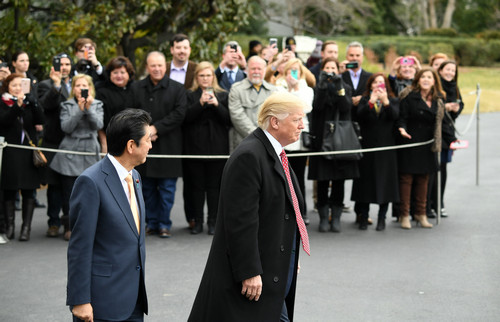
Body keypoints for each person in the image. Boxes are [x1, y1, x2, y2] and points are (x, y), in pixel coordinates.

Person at [188, 92, 310, 322]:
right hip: (255, 276)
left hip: (275, 268)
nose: (302, 126)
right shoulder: (250, 156)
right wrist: (249, 271)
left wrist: (291, 256)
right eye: (297, 120)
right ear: (275, 122)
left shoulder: (274, 152)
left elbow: (283, 212)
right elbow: (240, 222)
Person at [66, 108, 151, 322]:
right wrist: (80, 300)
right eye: (148, 140)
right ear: (131, 146)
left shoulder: (135, 176)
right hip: (100, 304)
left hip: (133, 299)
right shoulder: (90, 182)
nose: (151, 145)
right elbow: (79, 246)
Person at [131, 51, 187, 238]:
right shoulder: (136, 88)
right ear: (147, 67)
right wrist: (145, 131)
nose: (156, 69)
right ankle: (151, 222)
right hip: (143, 146)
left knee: (167, 191)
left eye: (160, 65)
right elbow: (131, 112)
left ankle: (164, 223)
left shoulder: (178, 89)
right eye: (153, 65)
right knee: (146, 189)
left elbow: (179, 114)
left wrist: (156, 129)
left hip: (168, 146)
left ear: (166, 67)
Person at [50, 74, 104, 241]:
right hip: (70, 150)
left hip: (90, 150)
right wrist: (79, 110)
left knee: (90, 192)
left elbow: (98, 125)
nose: (81, 88)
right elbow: (66, 127)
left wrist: (88, 109)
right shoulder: (67, 105)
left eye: (84, 85)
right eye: (78, 85)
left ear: (90, 87)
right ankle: (69, 226)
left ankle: (90, 226)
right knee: (69, 193)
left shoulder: (97, 104)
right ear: (73, 88)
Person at [308, 58, 359, 233]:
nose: (330, 71)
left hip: (340, 139)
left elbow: (345, 106)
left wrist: (339, 87)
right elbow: (317, 106)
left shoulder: (345, 86)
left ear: (338, 70)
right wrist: (322, 85)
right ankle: (323, 217)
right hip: (322, 138)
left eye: (333, 68)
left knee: (339, 180)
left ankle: (336, 217)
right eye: (327, 68)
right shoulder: (318, 87)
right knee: (322, 180)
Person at [182, 62, 230, 235]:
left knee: (214, 187)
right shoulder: (189, 95)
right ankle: (198, 221)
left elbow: (228, 121)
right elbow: (185, 118)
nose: (205, 78)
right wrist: (200, 104)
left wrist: (217, 105)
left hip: (217, 148)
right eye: (202, 75)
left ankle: (213, 221)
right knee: (196, 187)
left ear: (213, 77)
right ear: (196, 78)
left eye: (208, 75)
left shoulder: (223, 95)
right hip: (194, 147)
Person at [397, 67, 445, 229]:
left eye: (429, 77)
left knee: (424, 179)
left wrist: (450, 139)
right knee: (406, 179)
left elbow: (441, 123)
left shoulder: (438, 100)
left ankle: (421, 213)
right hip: (410, 142)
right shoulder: (409, 97)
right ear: (417, 80)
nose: (426, 79)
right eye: (423, 77)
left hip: (428, 144)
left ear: (434, 81)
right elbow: (401, 117)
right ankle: (404, 215)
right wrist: (402, 129)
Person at [350, 73, 400, 231]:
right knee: (365, 184)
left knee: (385, 184)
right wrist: (371, 101)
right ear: (370, 85)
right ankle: (363, 217)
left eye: (382, 82)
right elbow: (360, 116)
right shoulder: (364, 100)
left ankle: (382, 218)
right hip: (367, 148)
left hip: (386, 149)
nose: (379, 85)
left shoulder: (393, 100)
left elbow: (394, 116)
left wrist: (385, 102)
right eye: (376, 82)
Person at [0, 73, 44, 241]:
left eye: (21, 85)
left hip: (27, 152)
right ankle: (10, 227)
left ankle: (26, 228)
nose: (18, 88)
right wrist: (17, 106)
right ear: (7, 87)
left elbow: (41, 121)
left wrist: (33, 102)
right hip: (10, 152)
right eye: (14, 85)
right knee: (9, 190)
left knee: (29, 191)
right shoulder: (3, 103)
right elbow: (3, 122)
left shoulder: (29, 102)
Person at [37, 53, 73, 238]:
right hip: (53, 141)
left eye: (67, 64)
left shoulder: (78, 84)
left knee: (70, 185)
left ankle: (69, 222)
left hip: (73, 142)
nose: (64, 67)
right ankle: (53, 222)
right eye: (61, 64)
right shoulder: (45, 85)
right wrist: (56, 85)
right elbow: (45, 106)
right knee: (54, 186)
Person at [275, 58, 314, 224]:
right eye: (290, 70)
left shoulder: (307, 89)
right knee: (281, 177)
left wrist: (296, 88)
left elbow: (305, 108)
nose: (293, 74)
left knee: (298, 176)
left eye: (296, 70)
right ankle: (283, 211)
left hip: (299, 139)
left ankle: (301, 212)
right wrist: (289, 89)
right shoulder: (279, 86)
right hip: (283, 138)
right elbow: (280, 108)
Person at [428, 60, 463, 218]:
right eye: (447, 70)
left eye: (453, 70)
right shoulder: (436, 87)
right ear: (440, 71)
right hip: (436, 133)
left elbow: (460, 104)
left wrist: (456, 108)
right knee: (433, 169)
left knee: (443, 168)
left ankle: (439, 203)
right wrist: (445, 107)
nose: (450, 73)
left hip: (448, 133)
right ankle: (429, 204)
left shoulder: (454, 87)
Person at [228, 56, 276, 151]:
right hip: (243, 142)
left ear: (265, 70)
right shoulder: (236, 89)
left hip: (268, 143)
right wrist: (258, 135)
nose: (256, 72)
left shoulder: (273, 91)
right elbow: (237, 116)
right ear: (246, 69)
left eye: (259, 69)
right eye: (253, 69)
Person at [96, 56, 136, 154]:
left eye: (122, 72)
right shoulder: (101, 92)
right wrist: (104, 143)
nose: (119, 76)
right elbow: (99, 123)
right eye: (115, 72)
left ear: (129, 74)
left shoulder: (136, 90)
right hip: (110, 142)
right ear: (109, 74)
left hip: (134, 142)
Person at [341, 41, 372, 109]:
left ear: (362, 57)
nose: (355, 58)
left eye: (357, 55)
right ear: (346, 57)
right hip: (345, 116)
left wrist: (362, 99)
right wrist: (339, 72)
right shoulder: (341, 76)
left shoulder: (370, 77)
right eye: (351, 55)